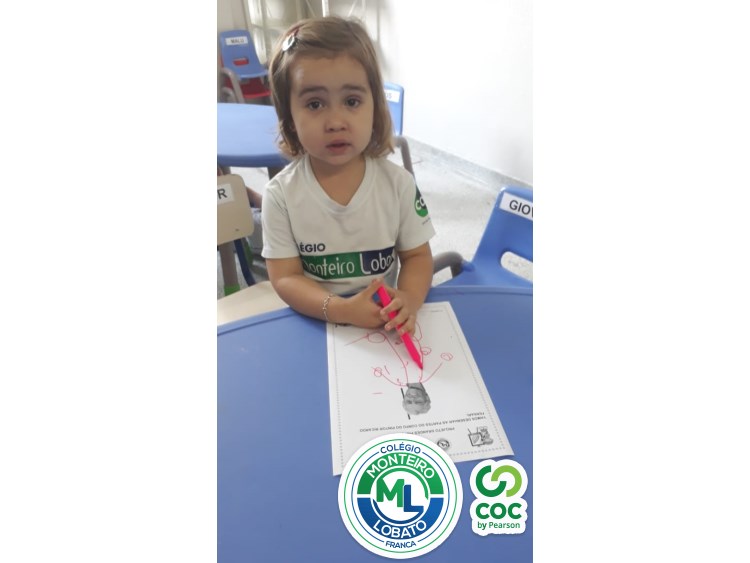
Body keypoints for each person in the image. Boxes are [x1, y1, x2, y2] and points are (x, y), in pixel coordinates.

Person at [261, 16, 435, 336]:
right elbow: (285, 277)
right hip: (316, 323)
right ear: (289, 118)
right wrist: (340, 309)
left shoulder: (398, 184)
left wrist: (409, 298)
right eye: (315, 104)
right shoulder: (280, 195)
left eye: (352, 101)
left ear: (375, 107)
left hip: (382, 329)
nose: (336, 122)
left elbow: (417, 257)